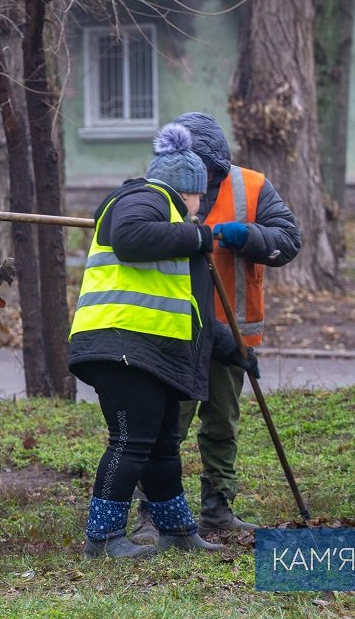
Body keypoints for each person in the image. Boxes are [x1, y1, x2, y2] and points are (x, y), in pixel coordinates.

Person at [70, 123, 255, 558]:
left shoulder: (169, 220)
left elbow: (188, 308)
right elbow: (129, 238)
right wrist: (198, 237)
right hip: (119, 344)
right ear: (187, 189)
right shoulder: (143, 198)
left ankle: (177, 531)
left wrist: (231, 348)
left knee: (161, 444)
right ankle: (102, 538)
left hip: (149, 350)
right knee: (131, 441)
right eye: (199, 198)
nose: (200, 208)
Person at [131, 113, 302, 541]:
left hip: (231, 330)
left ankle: (218, 508)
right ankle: (152, 514)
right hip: (176, 327)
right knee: (167, 423)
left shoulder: (252, 186)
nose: (200, 182)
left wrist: (251, 235)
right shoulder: (158, 186)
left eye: (206, 170)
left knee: (222, 422)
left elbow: (288, 240)